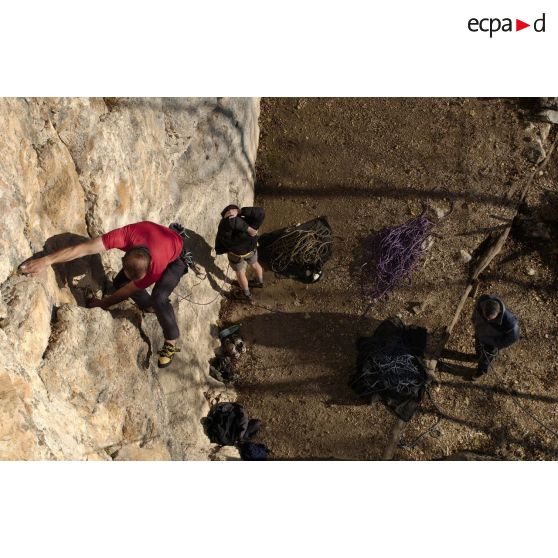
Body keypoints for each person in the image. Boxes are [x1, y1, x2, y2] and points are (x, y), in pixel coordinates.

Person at [20, 221, 190, 368]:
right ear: (123, 259)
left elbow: (130, 290)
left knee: (159, 297)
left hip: (176, 259)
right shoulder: (124, 235)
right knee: (119, 283)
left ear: (146, 272)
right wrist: (46, 260)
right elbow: (82, 249)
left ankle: (171, 340)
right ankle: (150, 306)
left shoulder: (155, 268)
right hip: (159, 245)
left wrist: (105, 303)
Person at [215, 204, 265, 301]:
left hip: (236, 255)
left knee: (240, 272)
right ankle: (259, 282)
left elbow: (229, 225)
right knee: (255, 264)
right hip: (251, 249)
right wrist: (240, 211)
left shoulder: (226, 229)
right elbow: (261, 211)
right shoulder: (250, 223)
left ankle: (246, 295)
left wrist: (226, 220)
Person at [471, 294, 520, 379]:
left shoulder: (510, 324)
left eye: (491, 319)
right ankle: (477, 356)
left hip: (492, 343)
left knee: (485, 359)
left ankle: (480, 372)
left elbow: (512, 338)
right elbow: (475, 314)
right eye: (486, 317)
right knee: (478, 348)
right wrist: (474, 322)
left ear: (499, 312)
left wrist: (494, 344)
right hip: (480, 335)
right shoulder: (482, 301)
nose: (488, 320)